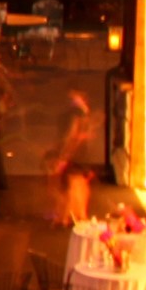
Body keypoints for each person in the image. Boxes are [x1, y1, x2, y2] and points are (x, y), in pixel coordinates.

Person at [51, 89, 101, 225]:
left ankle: (69, 216)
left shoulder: (77, 114)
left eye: (75, 97)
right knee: (79, 184)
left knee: (74, 185)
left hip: (76, 154)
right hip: (81, 154)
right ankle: (75, 215)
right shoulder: (84, 113)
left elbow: (72, 136)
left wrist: (64, 155)